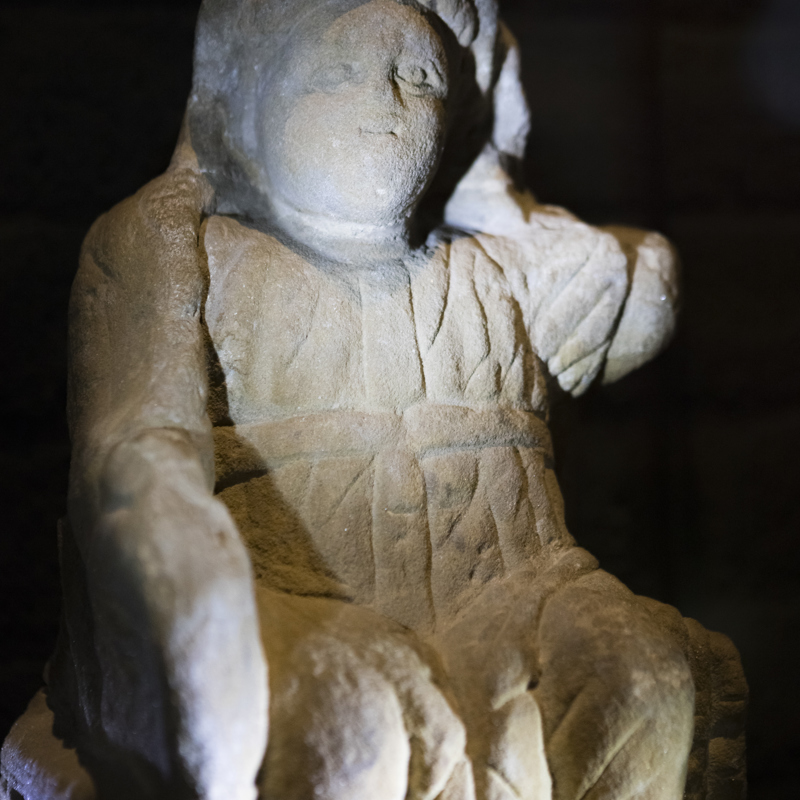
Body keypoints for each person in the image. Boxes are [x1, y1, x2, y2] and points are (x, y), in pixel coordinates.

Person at [0, 2, 746, 799]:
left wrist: (497, 191)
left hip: (515, 591)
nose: (383, 104)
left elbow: (640, 291)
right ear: (252, 106)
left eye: (417, 78)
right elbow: (135, 445)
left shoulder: (495, 270)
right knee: (343, 716)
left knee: (641, 675)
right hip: (286, 596)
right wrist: (185, 586)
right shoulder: (183, 248)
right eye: (338, 74)